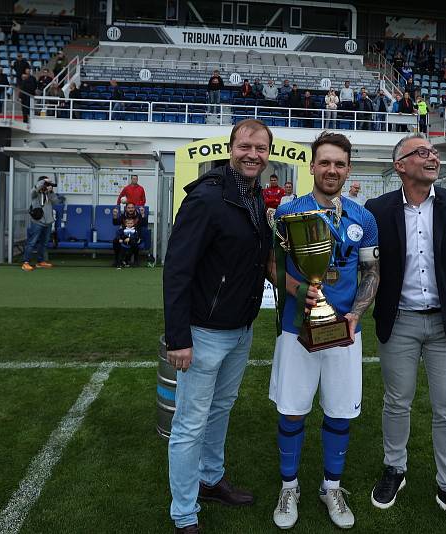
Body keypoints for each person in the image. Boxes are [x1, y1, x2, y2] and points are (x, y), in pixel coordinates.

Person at [365, 134, 446, 534]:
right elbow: (368, 269)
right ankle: (394, 468)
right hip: (398, 321)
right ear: (400, 165)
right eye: (421, 152)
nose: (432, 156)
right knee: (397, 402)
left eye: (434, 152)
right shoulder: (377, 209)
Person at [163, 119, 274, 533]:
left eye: (260, 149)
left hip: (240, 330)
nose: (253, 154)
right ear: (231, 148)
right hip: (203, 333)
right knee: (190, 423)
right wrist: (179, 337)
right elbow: (177, 270)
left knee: (220, 411)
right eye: (246, 146)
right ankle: (184, 513)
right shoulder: (206, 198)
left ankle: (210, 480)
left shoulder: (255, 197)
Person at [270, 131, 380, 530]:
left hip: (345, 332)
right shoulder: (288, 212)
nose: (331, 169)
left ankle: (331, 486)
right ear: (312, 166)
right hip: (296, 328)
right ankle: (289, 487)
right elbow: (272, 266)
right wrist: (301, 292)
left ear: (348, 169)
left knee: (339, 412)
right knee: (293, 410)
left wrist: (356, 315)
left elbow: (371, 270)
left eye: (339, 163)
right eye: (325, 162)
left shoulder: (362, 217)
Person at [22, 177, 62, 271]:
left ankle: (40, 261)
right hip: (37, 221)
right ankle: (25, 262)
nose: (48, 185)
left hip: (48, 222)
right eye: (47, 183)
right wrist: (44, 182)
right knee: (32, 242)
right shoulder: (35, 193)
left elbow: (56, 202)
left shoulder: (48, 194)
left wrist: (51, 191)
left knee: (43, 243)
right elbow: (34, 190)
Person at [111, 201, 145, 267]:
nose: (130, 209)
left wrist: (143, 214)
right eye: (129, 208)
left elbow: (144, 224)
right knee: (115, 241)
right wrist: (115, 215)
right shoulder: (123, 216)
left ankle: (135, 260)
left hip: (136, 236)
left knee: (134, 241)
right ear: (126, 208)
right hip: (124, 236)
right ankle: (117, 260)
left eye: (132, 207)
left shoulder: (138, 215)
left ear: (134, 208)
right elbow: (115, 223)